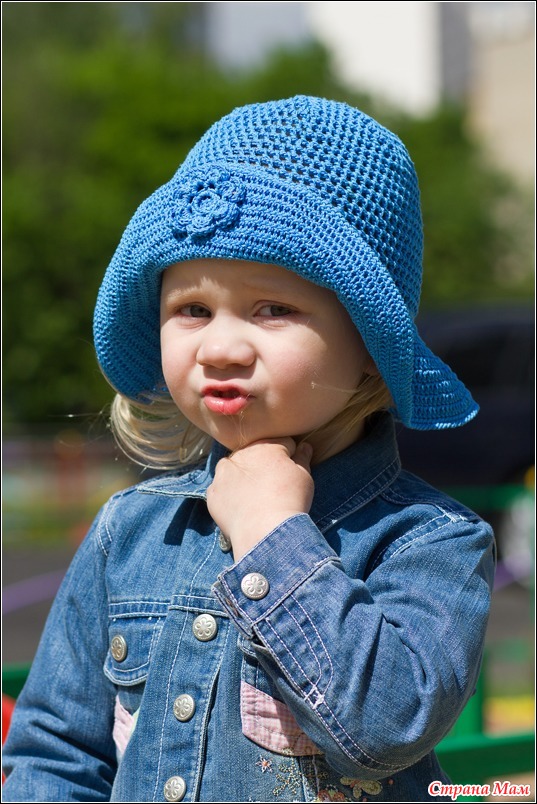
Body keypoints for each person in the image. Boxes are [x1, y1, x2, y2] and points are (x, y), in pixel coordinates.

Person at [3, 95, 495, 803]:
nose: (221, 347)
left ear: (369, 343)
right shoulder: (128, 532)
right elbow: (56, 756)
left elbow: (386, 729)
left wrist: (273, 534)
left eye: (273, 309)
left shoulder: (431, 543)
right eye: (192, 309)